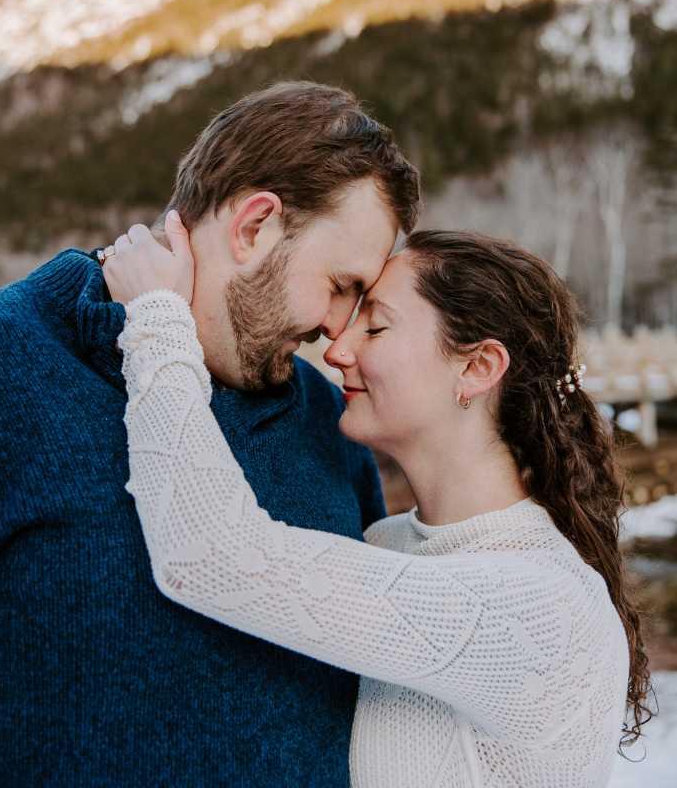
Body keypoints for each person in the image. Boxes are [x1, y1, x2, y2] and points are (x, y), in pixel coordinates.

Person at [104, 218, 652, 788]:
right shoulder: (386, 543)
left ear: (478, 367)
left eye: (376, 327)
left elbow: (212, 553)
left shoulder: (542, 606)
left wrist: (158, 319)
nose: (337, 349)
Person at [0, 82, 420, 787]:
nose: (336, 329)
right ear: (255, 227)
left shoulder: (326, 419)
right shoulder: (10, 363)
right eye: (340, 284)